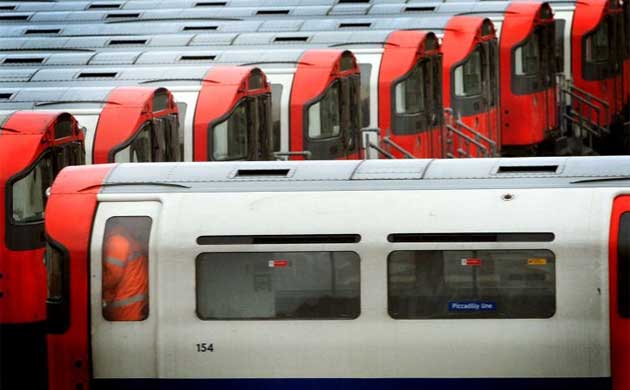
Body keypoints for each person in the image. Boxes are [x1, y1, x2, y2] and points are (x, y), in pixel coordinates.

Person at [102, 219, 149, 321]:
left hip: (125, 308)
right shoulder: (128, 239)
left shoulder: (116, 242)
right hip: (136, 304)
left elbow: (112, 277)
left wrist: (94, 285)